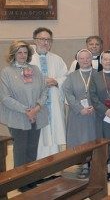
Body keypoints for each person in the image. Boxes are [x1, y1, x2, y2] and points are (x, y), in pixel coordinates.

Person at [0, 40, 48, 190]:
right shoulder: (6, 72)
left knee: (32, 148)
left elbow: (44, 90)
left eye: (25, 52)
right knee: (20, 149)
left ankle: (31, 178)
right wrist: (26, 111)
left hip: (36, 115)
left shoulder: (35, 69)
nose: (22, 55)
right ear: (13, 54)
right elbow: (5, 97)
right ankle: (20, 181)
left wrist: (37, 108)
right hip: (18, 116)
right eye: (19, 52)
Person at [29, 27, 66, 159]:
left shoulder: (57, 59)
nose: (45, 42)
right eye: (42, 39)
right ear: (35, 40)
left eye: (48, 40)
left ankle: (54, 168)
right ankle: (37, 168)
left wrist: (56, 81)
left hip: (53, 105)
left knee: (53, 134)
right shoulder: (28, 60)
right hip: (35, 106)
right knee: (37, 138)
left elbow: (65, 78)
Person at [62, 49, 99, 179]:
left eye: (87, 58)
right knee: (81, 140)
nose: (85, 61)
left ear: (91, 60)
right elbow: (68, 93)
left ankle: (94, 165)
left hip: (95, 113)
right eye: (82, 58)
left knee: (93, 139)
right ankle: (83, 166)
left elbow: (103, 92)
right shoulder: (71, 76)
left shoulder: (98, 74)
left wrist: (96, 106)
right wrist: (79, 108)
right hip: (78, 114)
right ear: (77, 60)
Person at [91, 50, 110, 181]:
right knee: (104, 141)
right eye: (105, 59)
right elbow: (93, 96)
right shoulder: (95, 76)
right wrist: (105, 110)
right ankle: (107, 167)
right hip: (102, 115)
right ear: (101, 61)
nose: (108, 62)